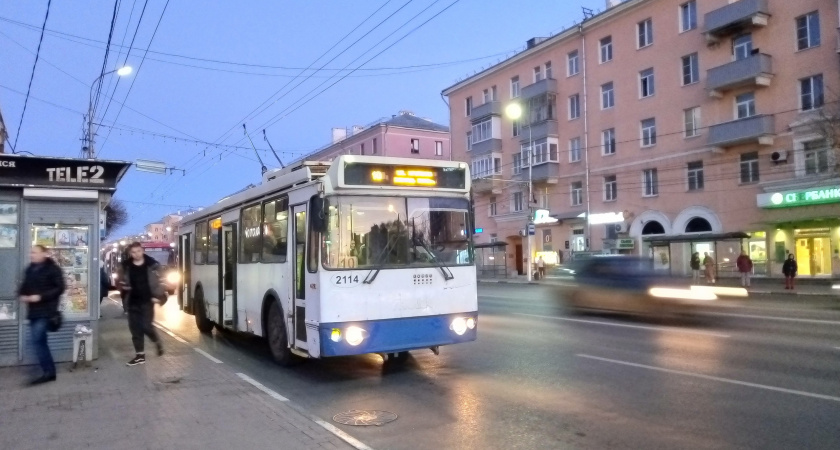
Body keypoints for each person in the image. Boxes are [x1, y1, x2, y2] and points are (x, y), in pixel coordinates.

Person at [18, 245, 65, 385]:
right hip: (33, 311)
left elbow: (60, 288)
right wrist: (22, 295)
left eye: (35, 252)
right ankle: (49, 371)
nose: (32, 255)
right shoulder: (30, 269)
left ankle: (48, 372)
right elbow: (24, 286)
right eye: (31, 252)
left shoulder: (53, 269)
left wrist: (40, 297)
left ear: (44, 254)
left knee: (37, 341)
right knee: (40, 342)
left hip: (46, 311)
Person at [118, 242, 165, 366]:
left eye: (138, 251)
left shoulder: (153, 265)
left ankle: (156, 341)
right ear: (130, 253)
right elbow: (120, 281)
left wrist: (157, 296)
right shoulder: (126, 266)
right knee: (135, 329)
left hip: (147, 301)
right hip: (132, 302)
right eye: (133, 252)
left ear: (142, 251)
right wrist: (123, 288)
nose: (136, 254)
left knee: (146, 326)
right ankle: (140, 355)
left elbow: (162, 282)